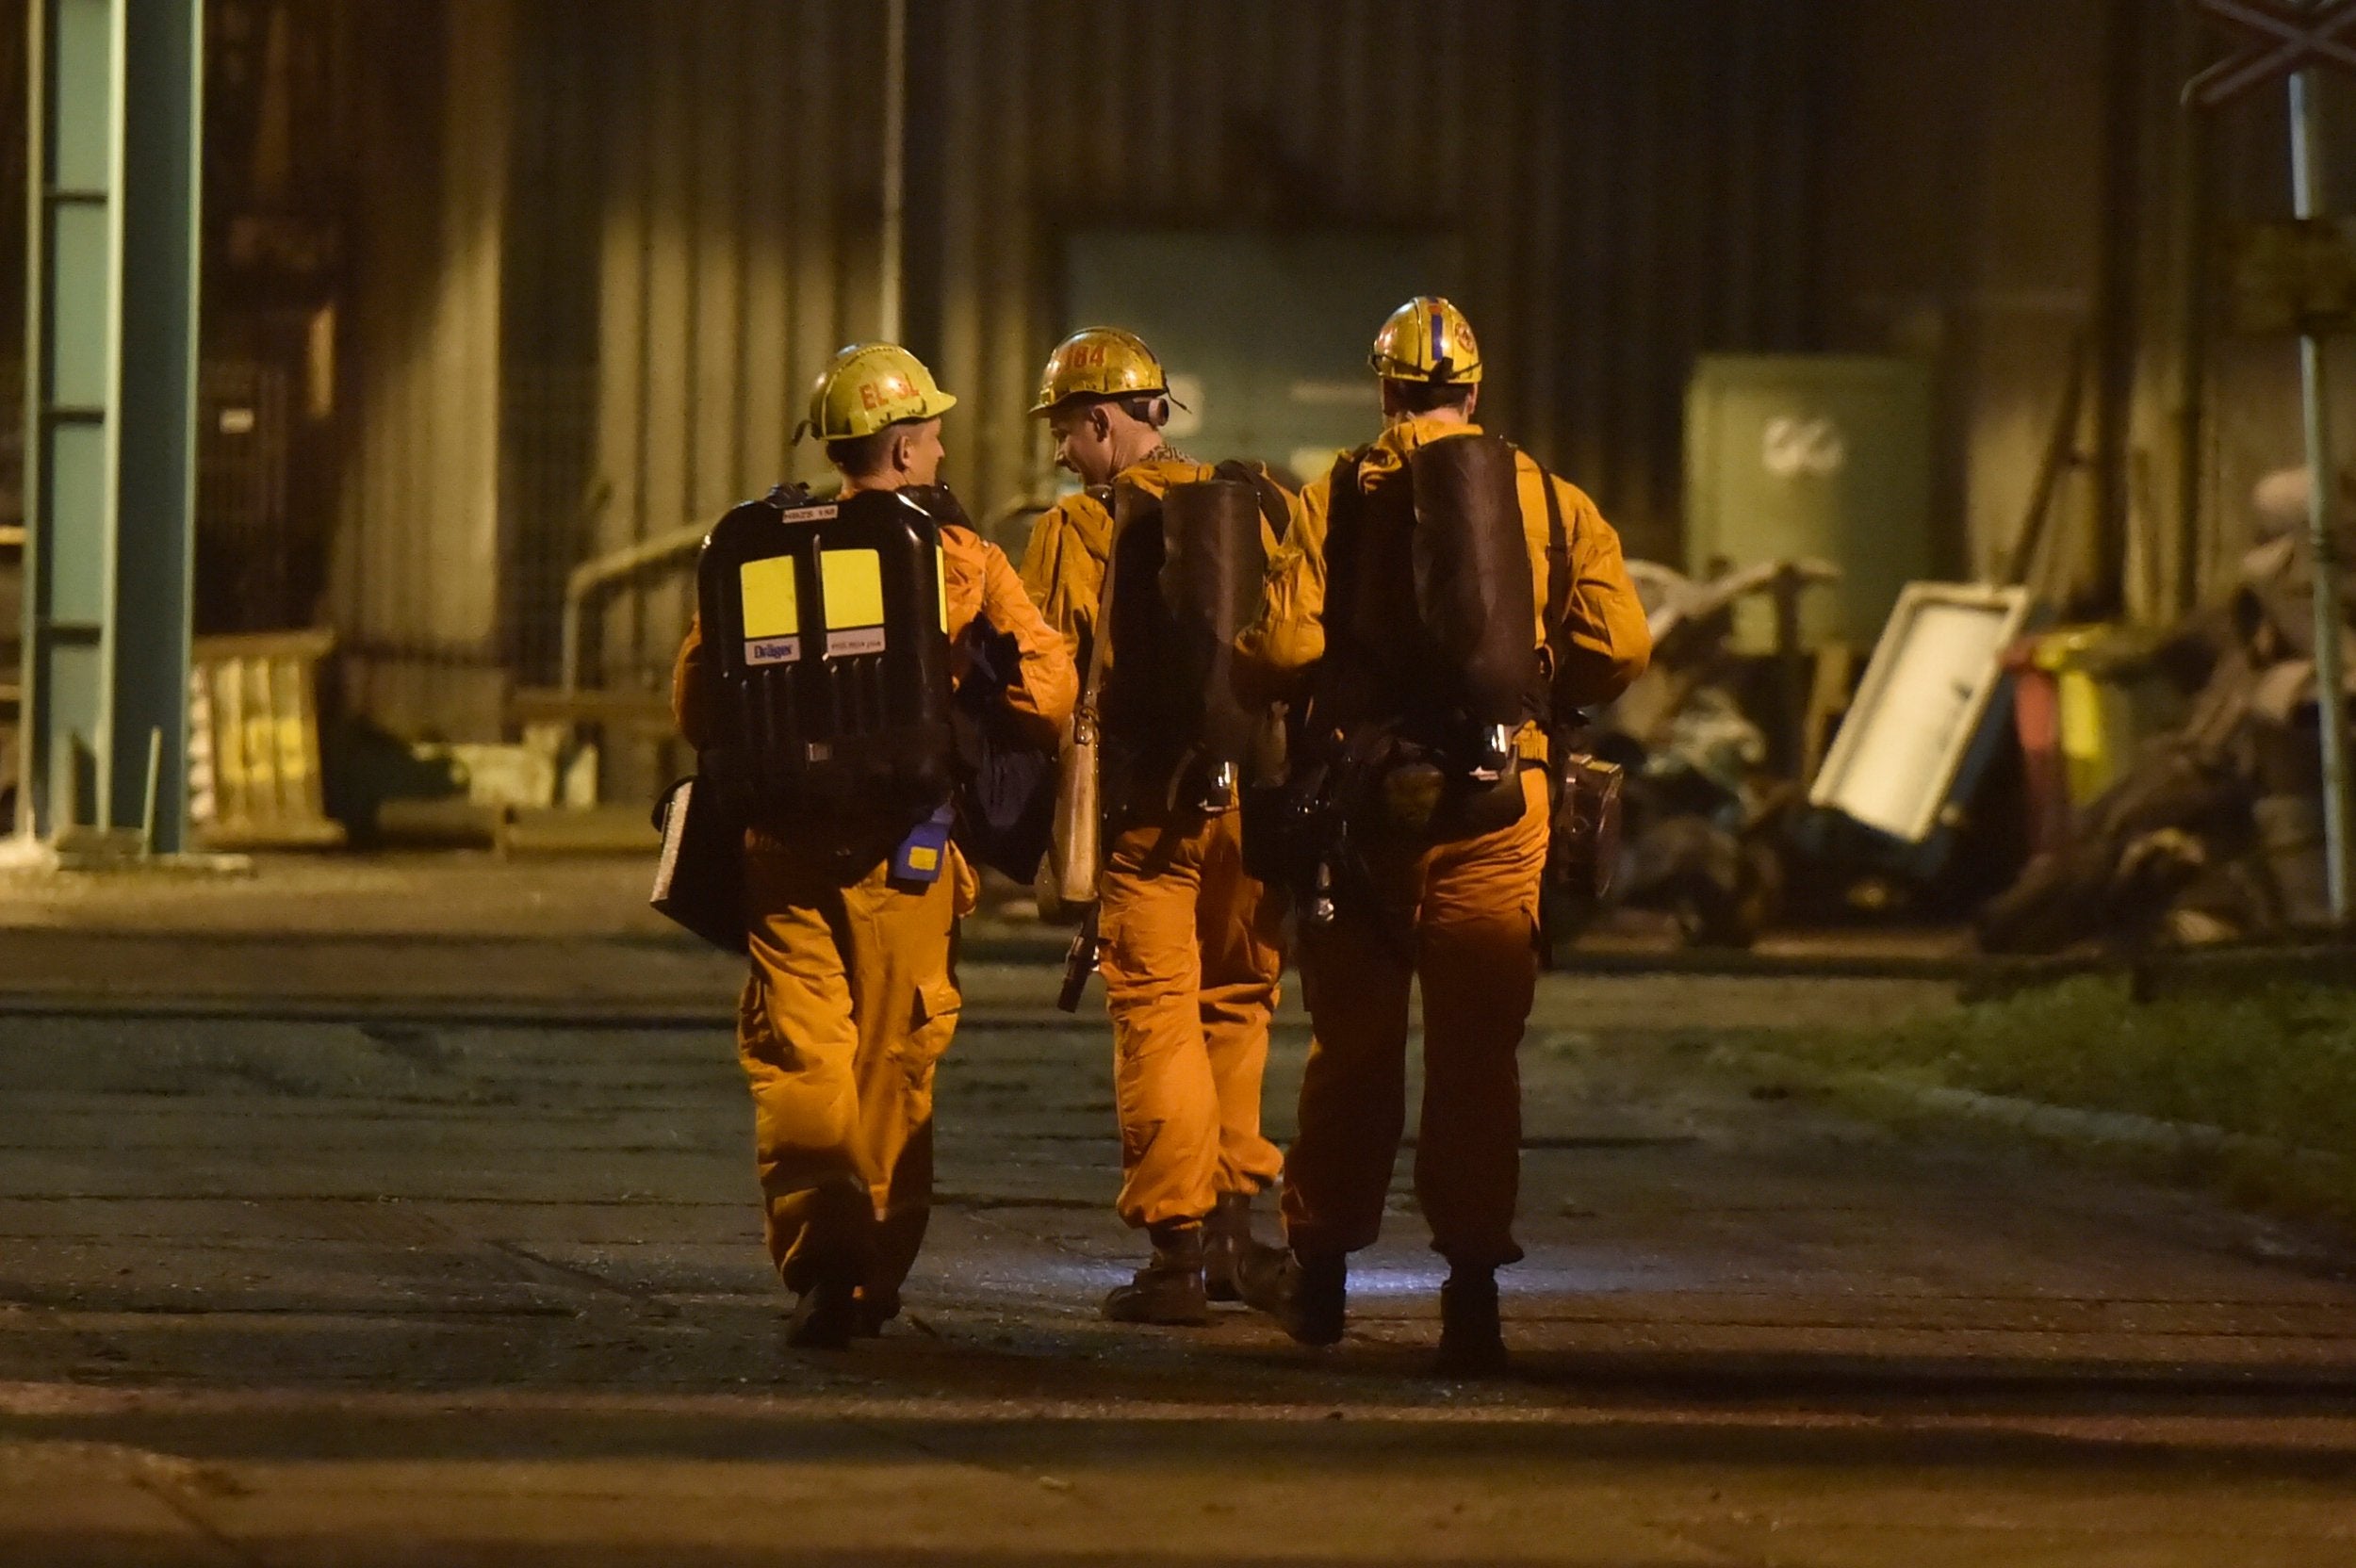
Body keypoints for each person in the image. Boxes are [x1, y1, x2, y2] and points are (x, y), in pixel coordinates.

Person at [1234, 297, 1650, 1373]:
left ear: (1386, 393)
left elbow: (1281, 648)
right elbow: (1621, 645)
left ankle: (1320, 1279)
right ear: (1474, 390)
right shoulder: (1550, 499)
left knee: (1353, 1048)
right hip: (1503, 810)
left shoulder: (1335, 491)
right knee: (1476, 1060)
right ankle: (1470, 1300)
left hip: (1369, 819)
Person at [673, 342, 1075, 1348]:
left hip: (780, 849)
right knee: (894, 1056)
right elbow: (1049, 694)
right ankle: (874, 1276)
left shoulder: (754, 546)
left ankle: (822, 1257)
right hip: (908, 850)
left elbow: (694, 702)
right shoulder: (956, 557)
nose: (941, 447)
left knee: (802, 1052)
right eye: (931, 433)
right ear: (899, 450)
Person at [1019, 327, 1298, 1324]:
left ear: (1101, 421)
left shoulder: (1077, 529)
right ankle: (1236, 1232)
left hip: (1150, 812)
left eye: (1064, 430)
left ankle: (1175, 1254)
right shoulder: (1261, 503)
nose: (1059, 454)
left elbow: (1050, 686)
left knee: (1157, 1009)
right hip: (1252, 806)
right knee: (1239, 1000)